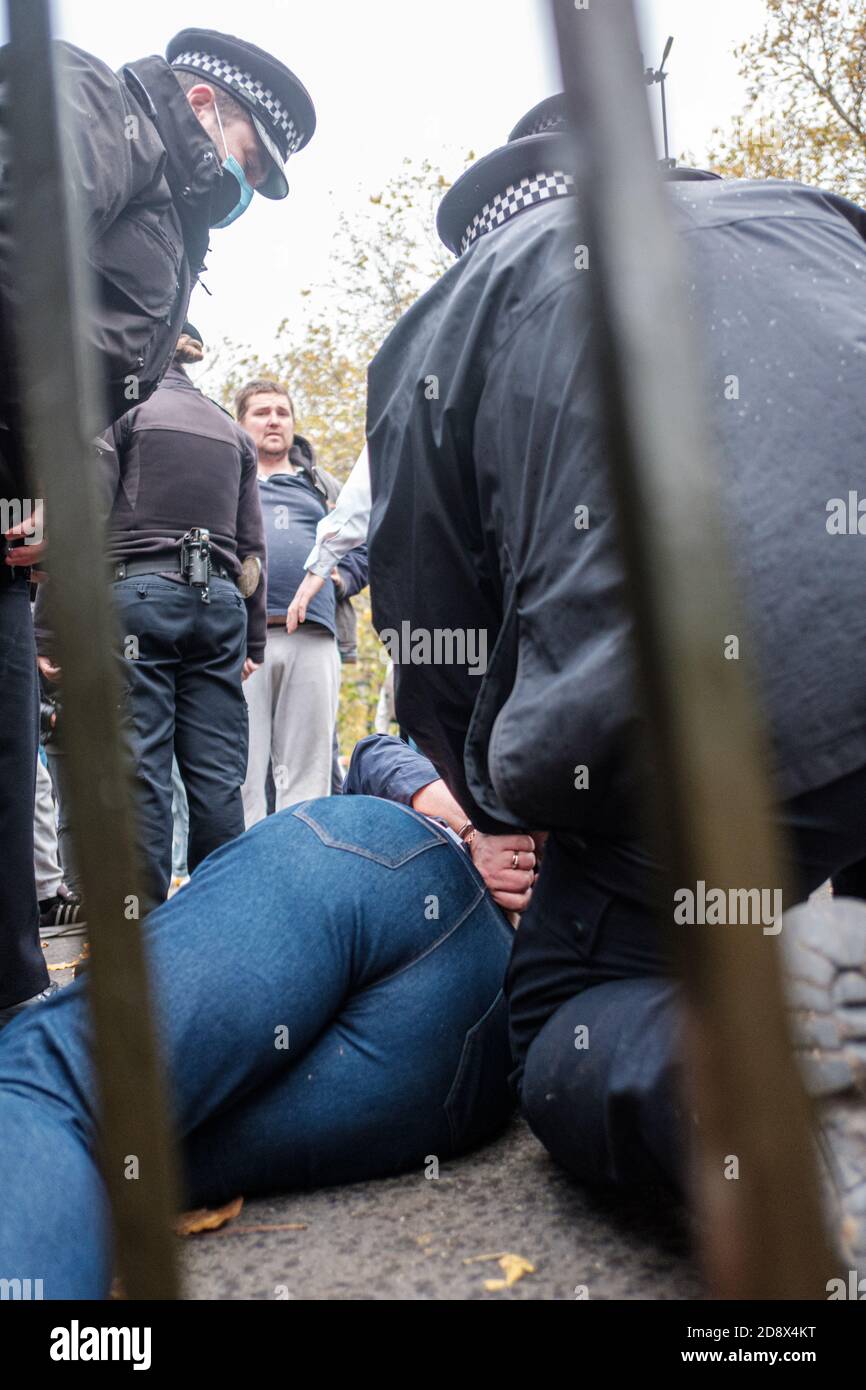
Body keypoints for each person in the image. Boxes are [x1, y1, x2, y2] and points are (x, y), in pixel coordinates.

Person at [364, 96, 866, 1253]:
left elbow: (436, 629)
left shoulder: (455, 311)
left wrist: (504, 813)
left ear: (489, 223)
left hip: (713, 722)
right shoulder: (814, 216)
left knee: (559, 1014)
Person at [0, 28, 315, 1020]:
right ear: (202, 108)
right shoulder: (94, 103)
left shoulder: (179, 227)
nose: (242, 186)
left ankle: (32, 1038)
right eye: (248, 159)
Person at [0, 734, 536, 1299]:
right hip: (472, 1057)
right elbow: (377, 754)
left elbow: (370, 757)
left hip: (391, 877)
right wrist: (475, 828)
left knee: (57, 1084)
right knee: (127, 1160)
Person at [36, 324, 268, 911]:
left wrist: (48, 630)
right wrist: (255, 642)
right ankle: (225, 914)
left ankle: (145, 918)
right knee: (217, 771)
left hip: (138, 599)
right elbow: (252, 551)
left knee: (140, 762)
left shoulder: (123, 412)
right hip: (220, 609)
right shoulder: (230, 431)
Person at [235, 379, 368, 821]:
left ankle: (302, 869)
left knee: (308, 773)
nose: (274, 420)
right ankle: (248, 875)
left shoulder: (322, 485)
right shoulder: (230, 477)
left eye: (282, 411)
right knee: (242, 771)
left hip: (313, 635)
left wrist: (343, 577)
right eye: (261, 412)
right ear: (240, 423)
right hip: (239, 644)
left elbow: (366, 538)